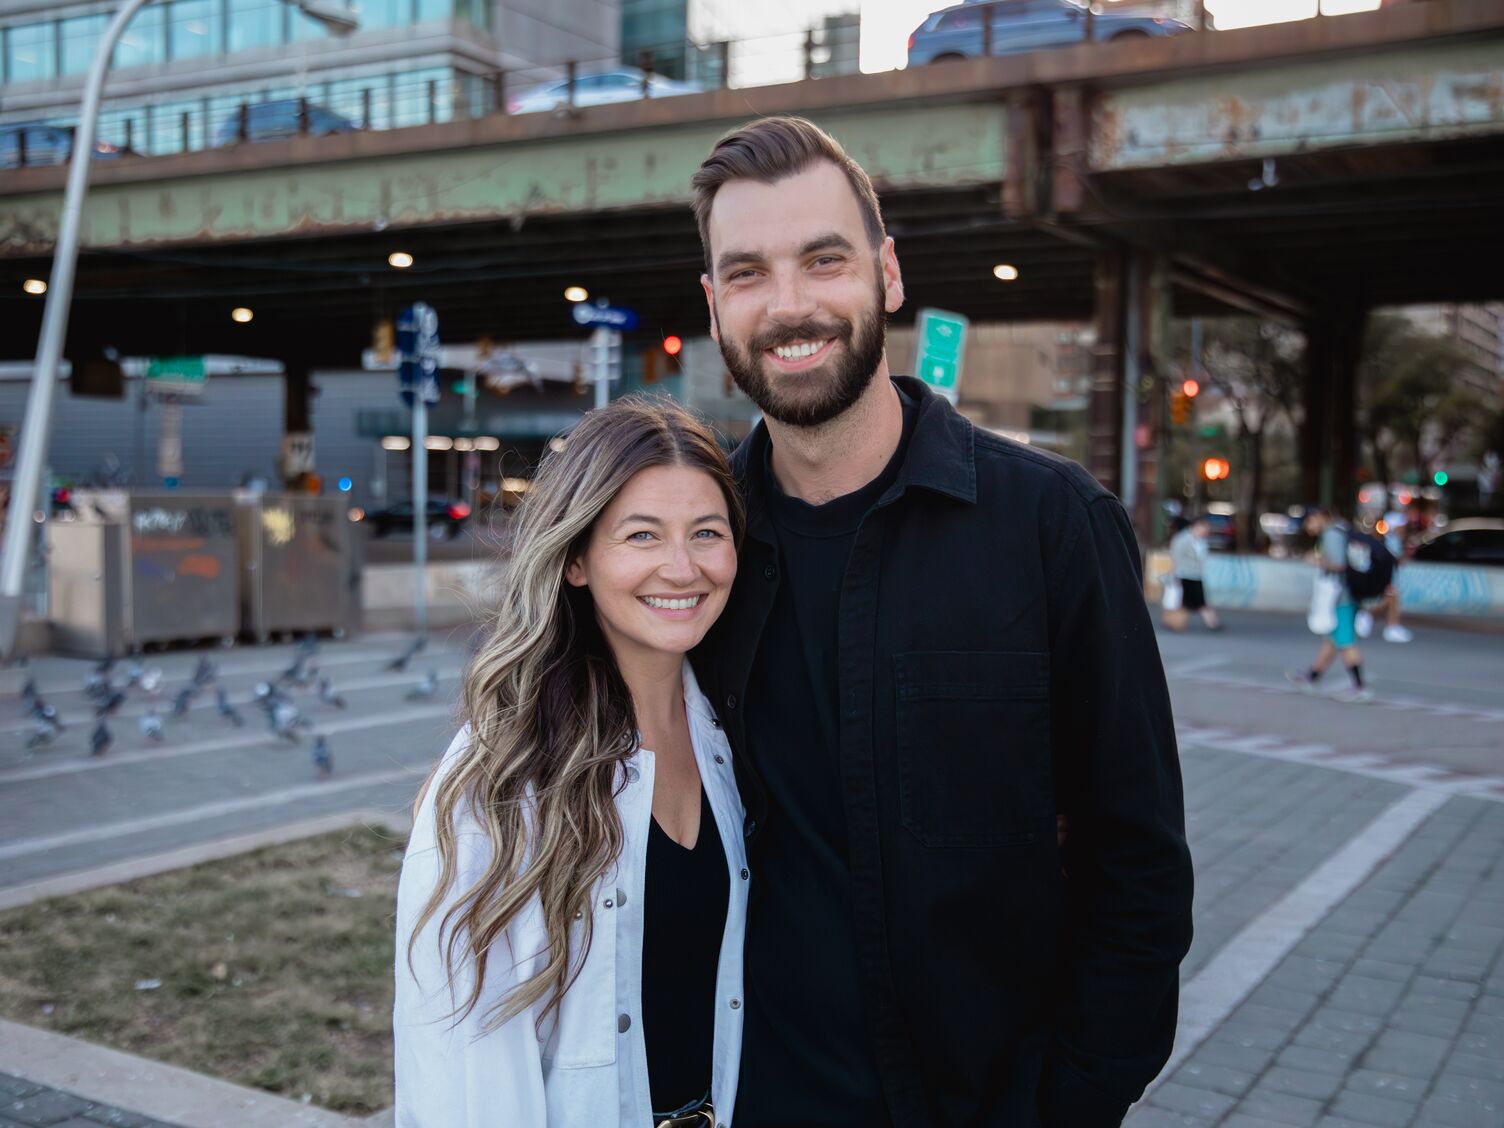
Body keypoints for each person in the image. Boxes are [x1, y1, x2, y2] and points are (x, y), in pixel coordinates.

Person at [689, 116, 1193, 1127]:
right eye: (746, 273)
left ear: (886, 273)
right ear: (712, 306)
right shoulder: (694, 552)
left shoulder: (1052, 525)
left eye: (822, 260)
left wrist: (1071, 1097)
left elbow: (1135, 865)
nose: (787, 307)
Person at [394, 399, 750, 1128]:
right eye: (642, 534)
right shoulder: (502, 777)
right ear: (578, 557)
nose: (681, 568)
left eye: (706, 533)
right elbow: (461, 1082)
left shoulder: (732, 737)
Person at [1287, 505, 1372, 702]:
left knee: (1345, 643)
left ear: (1317, 517)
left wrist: (1317, 561)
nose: (1308, 527)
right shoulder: (1341, 530)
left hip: (1340, 597)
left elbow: (1339, 565)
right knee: (1332, 641)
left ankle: (1360, 687)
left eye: (1309, 522)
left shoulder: (1332, 534)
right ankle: (1311, 678)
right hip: (1346, 595)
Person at [1165, 514, 1223, 632]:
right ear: (1197, 526)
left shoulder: (1199, 540)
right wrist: (1173, 575)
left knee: (1187, 602)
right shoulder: (1182, 539)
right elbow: (1175, 558)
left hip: (1195, 575)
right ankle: (1211, 623)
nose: (1207, 531)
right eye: (1205, 528)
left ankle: (1178, 623)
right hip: (1185, 574)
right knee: (1196, 602)